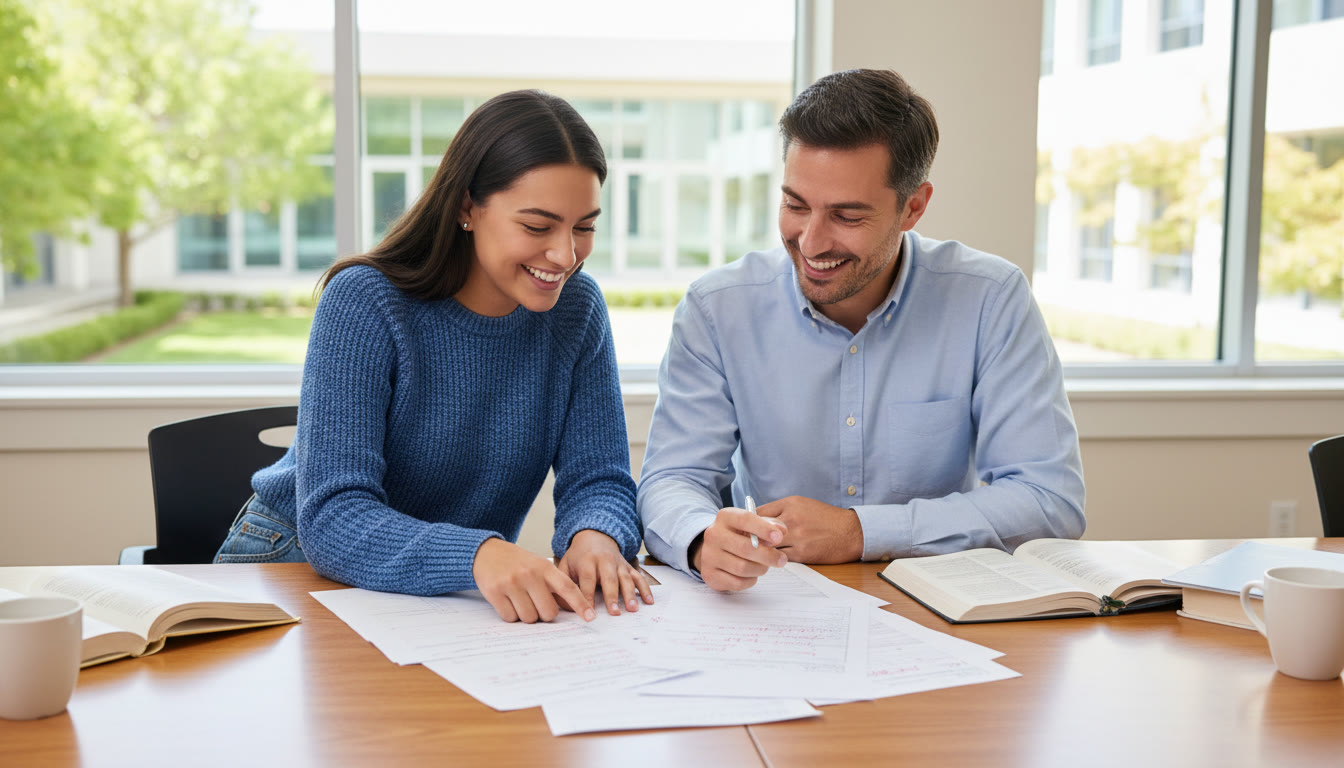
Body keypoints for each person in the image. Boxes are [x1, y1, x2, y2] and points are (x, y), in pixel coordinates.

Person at [637, 69, 1086, 592]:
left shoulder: (989, 298)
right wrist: (698, 538)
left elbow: (1050, 500)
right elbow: (673, 480)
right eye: (795, 205)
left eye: (846, 216)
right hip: (771, 610)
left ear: (913, 207)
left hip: (934, 611)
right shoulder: (717, 309)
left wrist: (859, 531)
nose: (810, 242)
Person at [214, 89, 653, 624]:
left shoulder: (577, 311)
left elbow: (599, 479)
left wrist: (596, 535)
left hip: (444, 595)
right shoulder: (365, 301)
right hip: (293, 567)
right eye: (537, 227)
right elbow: (332, 519)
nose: (565, 255)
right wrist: (477, 555)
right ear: (468, 206)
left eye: (584, 226)